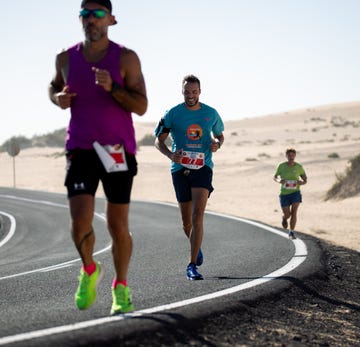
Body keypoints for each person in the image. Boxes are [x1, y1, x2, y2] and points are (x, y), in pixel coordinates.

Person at [48, 0, 147, 315]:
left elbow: (141, 105)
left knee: (118, 225)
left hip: (117, 150)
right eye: (85, 14)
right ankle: (89, 269)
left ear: (111, 20)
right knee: (79, 223)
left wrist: (113, 88)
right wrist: (57, 98)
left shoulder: (126, 58)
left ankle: (121, 288)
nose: (91, 19)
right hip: (80, 149)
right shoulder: (66, 58)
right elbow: (53, 86)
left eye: (98, 13)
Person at [154, 75, 224, 280]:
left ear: (200, 92)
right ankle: (196, 244)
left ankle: (191, 265)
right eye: (187, 92)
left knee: (197, 216)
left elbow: (220, 136)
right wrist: (169, 154)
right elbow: (158, 140)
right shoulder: (172, 114)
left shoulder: (211, 114)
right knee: (186, 223)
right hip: (179, 168)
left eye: (194, 92)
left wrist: (217, 144)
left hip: (203, 167)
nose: (191, 95)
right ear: (182, 91)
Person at [273, 148, 307, 239]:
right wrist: (279, 180)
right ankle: (284, 218)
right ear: (286, 156)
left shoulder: (299, 167)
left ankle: (291, 232)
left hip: (296, 192)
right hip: (284, 194)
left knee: (294, 212)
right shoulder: (281, 166)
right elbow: (275, 177)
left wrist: (302, 182)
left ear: (295, 156)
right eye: (289, 155)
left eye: (292, 155)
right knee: (288, 214)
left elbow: (305, 179)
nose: (291, 157)